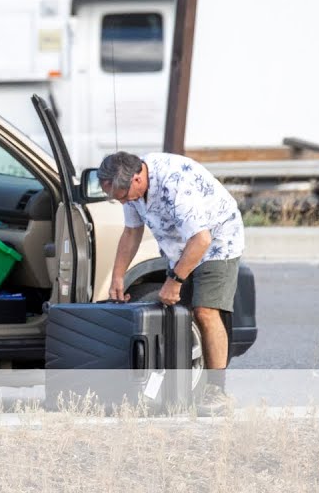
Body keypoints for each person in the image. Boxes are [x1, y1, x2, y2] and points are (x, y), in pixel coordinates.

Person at [98, 150, 244, 415]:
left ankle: (217, 392)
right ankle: (177, 390)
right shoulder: (130, 187)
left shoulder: (176, 185)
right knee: (177, 314)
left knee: (205, 311)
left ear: (137, 180)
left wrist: (175, 280)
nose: (122, 203)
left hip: (218, 242)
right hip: (181, 246)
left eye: (122, 197)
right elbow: (131, 232)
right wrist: (117, 276)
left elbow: (202, 240)